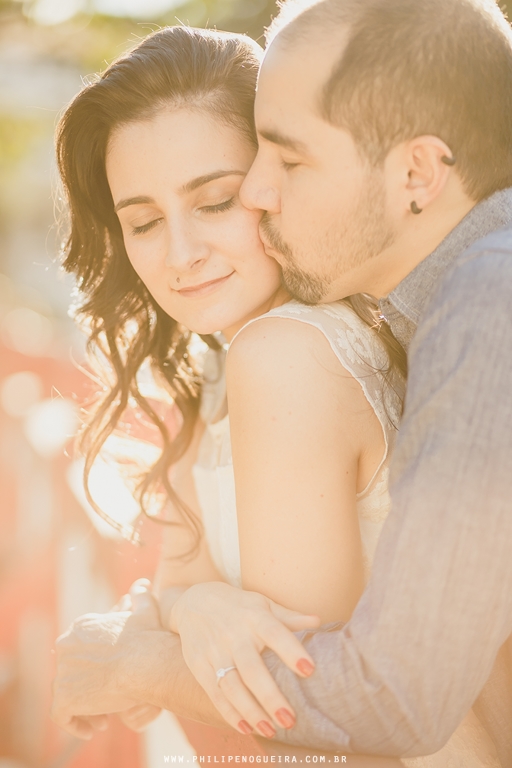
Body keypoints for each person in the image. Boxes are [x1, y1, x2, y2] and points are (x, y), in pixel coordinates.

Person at [52, 0, 512, 763]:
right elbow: (182, 585)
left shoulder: (287, 357)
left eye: (218, 199)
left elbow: (316, 728)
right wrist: (194, 606)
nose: (181, 253)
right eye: (142, 221)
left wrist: (142, 662)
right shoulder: (227, 363)